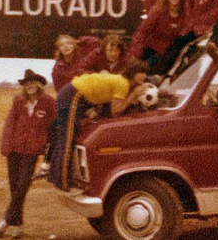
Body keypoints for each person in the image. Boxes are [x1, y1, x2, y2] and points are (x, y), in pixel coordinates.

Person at [48, 59, 150, 191]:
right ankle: (62, 181)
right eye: (141, 72)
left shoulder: (120, 81)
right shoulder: (122, 83)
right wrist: (133, 95)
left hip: (74, 94)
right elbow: (115, 111)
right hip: (74, 94)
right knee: (67, 138)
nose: (144, 76)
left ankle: (55, 176)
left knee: (66, 135)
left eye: (146, 73)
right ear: (133, 73)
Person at [0, 69, 57, 239]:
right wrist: (6, 146)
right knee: (15, 187)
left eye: (33, 83)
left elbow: (53, 127)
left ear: (38, 84)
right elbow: (10, 123)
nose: (30, 86)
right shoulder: (18, 101)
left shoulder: (48, 102)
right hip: (14, 149)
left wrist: (47, 154)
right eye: (26, 83)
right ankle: (18, 226)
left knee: (23, 185)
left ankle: (5, 222)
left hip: (32, 151)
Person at [130, 0, 186, 68]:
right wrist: (136, 53)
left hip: (172, 56)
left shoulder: (186, 14)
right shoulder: (157, 11)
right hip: (153, 53)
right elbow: (142, 32)